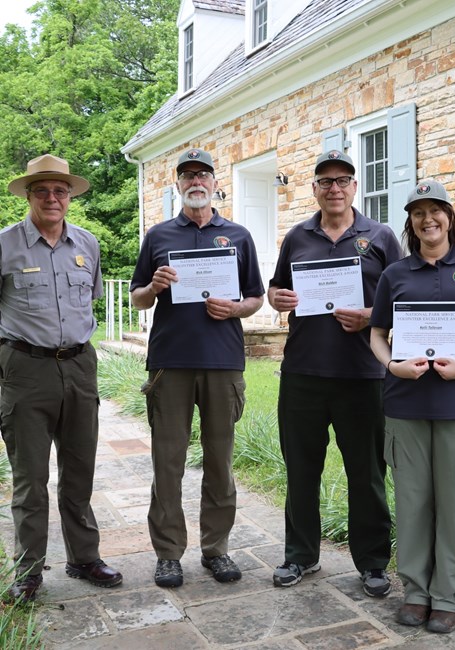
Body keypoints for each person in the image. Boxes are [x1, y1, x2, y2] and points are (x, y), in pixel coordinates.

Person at [369, 179, 455, 633]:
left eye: (436, 211)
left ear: (449, 216)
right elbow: (376, 334)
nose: (428, 220)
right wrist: (393, 365)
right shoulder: (395, 274)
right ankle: (415, 592)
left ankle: (448, 596)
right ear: (410, 222)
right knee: (411, 501)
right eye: (418, 212)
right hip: (405, 403)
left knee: (453, 504)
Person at [268, 150, 401, 597]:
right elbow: (276, 286)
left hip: (363, 374)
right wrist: (278, 299)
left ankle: (373, 562)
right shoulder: (297, 237)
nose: (334, 188)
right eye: (325, 181)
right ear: (315, 189)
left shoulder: (380, 237)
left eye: (343, 180)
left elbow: (402, 299)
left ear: (354, 187)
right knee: (301, 470)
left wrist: (370, 316)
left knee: (366, 473)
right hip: (303, 371)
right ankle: (300, 555)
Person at [130, 148, 264, 588]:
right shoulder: (159, 235)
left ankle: (216, 549)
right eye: (187, 176)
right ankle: (168, 553)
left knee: (220, 462)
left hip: (222, 363)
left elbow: (254, 298)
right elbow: (137, 297)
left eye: (202, 175)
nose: (195, 182)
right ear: (177, 186)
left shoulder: (238, 236)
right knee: (167, 463)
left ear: (214, 182)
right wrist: (154, 285)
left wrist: (235, 309)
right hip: (170, 363)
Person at [0, 154, 122, 601]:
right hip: (24, 367)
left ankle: (83, 557)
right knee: (30, 477)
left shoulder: (87, 244)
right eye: (42, 190)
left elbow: (89, 299)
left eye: (61, 190)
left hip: (78, 364)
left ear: (70, 197)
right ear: (28, 195)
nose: (52, 198)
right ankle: (28, 571)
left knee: (80, 469)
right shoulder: (5, 245)